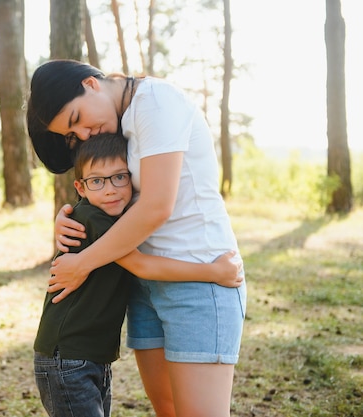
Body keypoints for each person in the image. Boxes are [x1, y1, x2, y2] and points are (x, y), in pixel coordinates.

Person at [27, 59, 246, 417]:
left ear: (91, 84)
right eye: (72, 135)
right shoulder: (118, 121)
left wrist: (81, 262)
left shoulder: (155, 102)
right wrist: (70, 216)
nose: (83, 134)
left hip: (200, 275)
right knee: (169, 410)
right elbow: (105, 186)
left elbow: (157, 206)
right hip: (145, 284)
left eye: (76, 119)